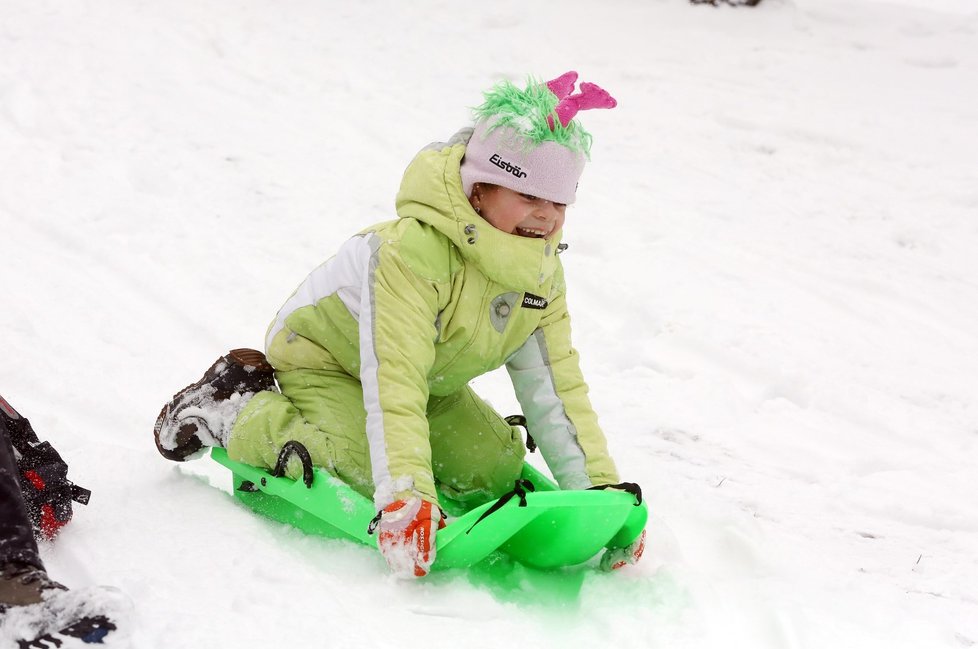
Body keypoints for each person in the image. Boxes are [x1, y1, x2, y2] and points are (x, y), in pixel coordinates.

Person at [153, 71, 646, 578]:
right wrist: (406, 495)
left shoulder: (540, 273)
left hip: (434, 378)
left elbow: (556, 386)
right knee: (363, 470)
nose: (546, 216)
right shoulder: (412, 253)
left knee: (495, 466)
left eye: (559, 202)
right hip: (326, 358)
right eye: (528, 196)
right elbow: (396, 374)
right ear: (479, 190)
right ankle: (234, 410)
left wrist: (602, 495)